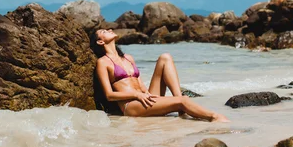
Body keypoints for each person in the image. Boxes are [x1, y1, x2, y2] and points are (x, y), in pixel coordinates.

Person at [91, 28, 230, 122]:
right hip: (131, 105)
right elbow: (109, 95)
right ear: (100, 41)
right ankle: (214, 117)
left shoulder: (128, 57)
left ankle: (180, 105)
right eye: (104, 31)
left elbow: (140, 85)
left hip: (145, 98)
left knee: (165, 57)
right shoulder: (103, 63)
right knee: (183, 101)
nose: (109, 30)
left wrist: (147, 94)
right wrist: (136, 95)